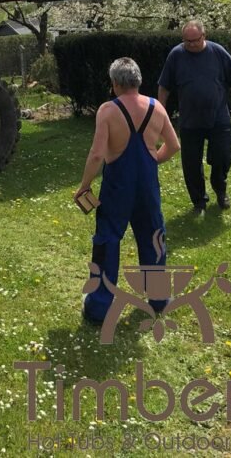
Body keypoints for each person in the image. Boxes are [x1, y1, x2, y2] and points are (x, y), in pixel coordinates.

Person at [75, 57, 181, 323]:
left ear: (114, 83)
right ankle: (158, 299)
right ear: (139, 80)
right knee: (153, 236)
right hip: (147, 186)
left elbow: (98, 154)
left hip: (117, 186)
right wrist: (153, 159)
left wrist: (85, 185)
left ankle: (99, 307)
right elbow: (174, 145)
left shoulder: (108, 110)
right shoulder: (157, 108)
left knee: (107, 241)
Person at [158, 19, 231, 216]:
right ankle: (199, 201)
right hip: (190, 120)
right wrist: (160, 112)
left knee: (222, 156)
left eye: (195, 41)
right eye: (187, 41)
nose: (190, 45)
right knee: (191, 163)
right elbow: (164, 86)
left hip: (218, 118)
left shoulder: (218, 52)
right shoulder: (176, 55)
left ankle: (220, 189)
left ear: (203, 36)